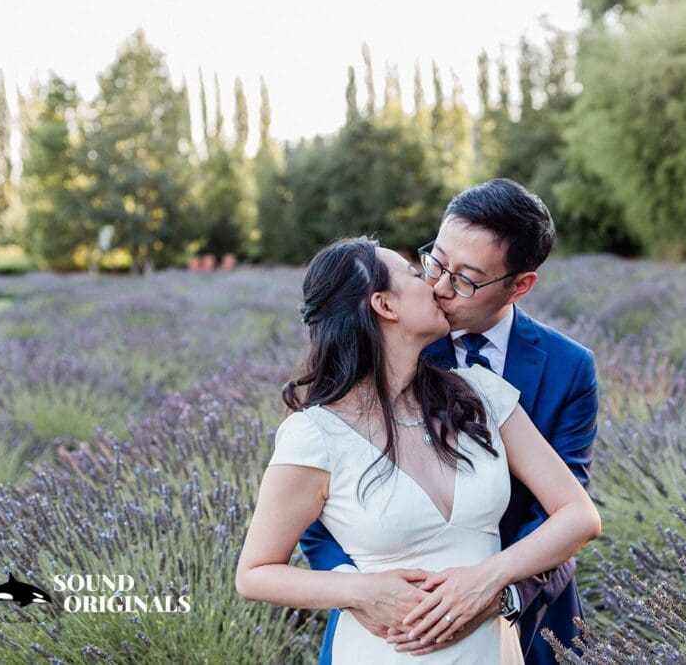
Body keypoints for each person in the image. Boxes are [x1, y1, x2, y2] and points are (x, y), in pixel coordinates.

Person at [235, 235, 601, 664]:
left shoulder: (482, 394)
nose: (435, 285)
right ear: (385, 305)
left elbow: (580, 516)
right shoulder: (315, 435)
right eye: (415, 273)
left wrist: (488, 580)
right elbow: (254, 573)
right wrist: (361, 590)